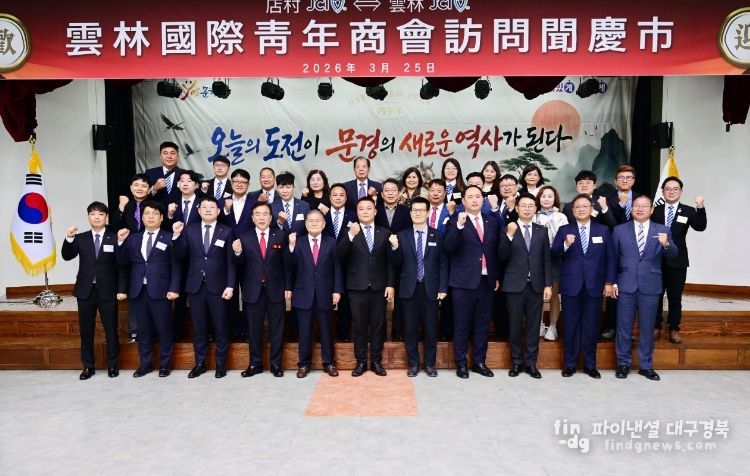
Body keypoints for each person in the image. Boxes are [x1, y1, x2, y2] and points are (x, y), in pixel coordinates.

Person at [611, 195, 677, 381]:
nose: (640, 209)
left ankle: (646, 366)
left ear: (651, 210)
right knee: (623, 327)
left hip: (651, 285)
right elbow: (613, 259)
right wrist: (612, 282)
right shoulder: (619, 230)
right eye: (636, 206)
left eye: (644, 206)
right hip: (625, 284)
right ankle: (623, 364)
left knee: (647, 328)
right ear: (631, 209)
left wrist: (666, 244)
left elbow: (674, 254)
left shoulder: (663, 230)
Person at [551, 194, 616, 379]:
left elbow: (611, 258)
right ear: (572, 210)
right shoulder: (565, 230)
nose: (581, 209)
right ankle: (569, 364)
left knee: (591, 327)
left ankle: (590, 365)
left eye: (584, 206)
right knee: (570, 326)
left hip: (595, 285)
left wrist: (609, 282)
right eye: (577, 207)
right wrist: (565, 244)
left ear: (591, 208)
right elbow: (553, 254)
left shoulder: (603, 230)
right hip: (571, 285)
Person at [116, 201, 183, 378]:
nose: (151, 216)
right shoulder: (133, 238)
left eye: (155, 213)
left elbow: (176, 265)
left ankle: (164, 365)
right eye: (147, 213)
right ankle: (145, 364)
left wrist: (174, 288)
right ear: (142, 217)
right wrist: (120, 242)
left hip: (161, 291)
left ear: (161, 218)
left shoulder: (169, 238)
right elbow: (122, 262)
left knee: (164, 329)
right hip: (138, 290)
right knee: (143, 330)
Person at [61, 202, 125, 379]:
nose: (97, 217)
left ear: (106, 217)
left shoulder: (115, 237)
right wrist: (69, 238)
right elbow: (67, 256)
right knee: (86, 331)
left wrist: (121, 289)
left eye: (100, 214)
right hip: (85, 291)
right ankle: (88, 367)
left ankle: (113, 365)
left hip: (108, 290)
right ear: (88, 216)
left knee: (111, 329)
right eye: (93, 214)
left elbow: (121, 265)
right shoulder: (80, 238)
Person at [175, 196, 235, 379]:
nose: (208, 210)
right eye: (205, 207)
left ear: (218, 211)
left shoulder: (227, 231)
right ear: (199, 210)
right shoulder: (189, 230)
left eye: (212, 207)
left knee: (221, 327)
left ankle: (220, 365)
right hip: (195, 287)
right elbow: (179, 255)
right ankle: (200, 364)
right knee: (199, 328)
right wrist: (176, 236)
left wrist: (230, 285)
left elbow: (231, 262)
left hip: (219, 287)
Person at [445, 185, 501, 379]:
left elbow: (495, 251)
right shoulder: (455, 220)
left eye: (478, 196)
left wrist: (495, 276)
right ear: (463, 201)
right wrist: (459, 227)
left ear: (483, 200)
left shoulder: (492, 222)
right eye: (470, 197)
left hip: (486, 281)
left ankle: (479, 362)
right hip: (463, 282)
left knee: (482, 325)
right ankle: (461, 363)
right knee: (461, 325)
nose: (475, 200)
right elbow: (449, 247)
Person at [336, 197, 395, 377]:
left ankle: (376, 361)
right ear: (357, 212)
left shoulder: (384, 232)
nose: (365, 211)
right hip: (356, 287)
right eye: (361, 209)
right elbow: (339, 255)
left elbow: (390, 263)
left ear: (375, 211)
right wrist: (350, 236)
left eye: (369, 208)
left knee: (378, 326)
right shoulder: (349, 231)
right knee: (359, 327)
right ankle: (361, 362)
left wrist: (390, 284)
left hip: (379, 287)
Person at [391, 197, 448, 377]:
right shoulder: (402, 235)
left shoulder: (437, 235)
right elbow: (396, 264)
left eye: (421, 210)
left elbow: (443, 263)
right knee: (410, 329)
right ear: (410, 213)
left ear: (428, 212)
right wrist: (394, 248)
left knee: (431, 329)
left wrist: (443, 288)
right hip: (409, 288)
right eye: (414, 210)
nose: (418, 213)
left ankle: (430, 364)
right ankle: (413, 364)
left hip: (431, 288)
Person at [498, 193, 552, 379]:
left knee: (533, 326)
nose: (527, 209)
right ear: (517, 208)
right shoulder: (508, 228)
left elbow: (546, 259)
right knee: (514, 326)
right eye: (523, 205)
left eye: (531, 206)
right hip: (514, 285)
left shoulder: (542, 230)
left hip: (536, 285)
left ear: (535, 209)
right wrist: (509, 236)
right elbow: (501, 256)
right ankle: (516, 362)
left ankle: (531, 363)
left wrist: (548, 284)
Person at [285, 209, 343, 378]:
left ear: (324, 224)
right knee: (304, 332)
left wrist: (337, 290)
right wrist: (291, 246)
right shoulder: (298, 242)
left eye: (318, 221)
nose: (314, 223)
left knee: (326, 331)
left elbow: (337, 268)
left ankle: (329, 363)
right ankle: (304, 364)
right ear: (306, 224)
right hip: (303, 294)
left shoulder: (332, 242)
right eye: (311, 221)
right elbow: (290, 266)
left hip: (325, 293)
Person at [232, 202, 288, 377]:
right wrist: (237, 253)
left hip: (275, 289)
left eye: (265, 214)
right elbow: (239, 265)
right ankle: (255, 364)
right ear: (252, 217)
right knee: (253, 329)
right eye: (258, 214)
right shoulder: (244, 237)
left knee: (277, 330)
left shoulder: (280, 235)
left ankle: (275, 364)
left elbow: (286, 265)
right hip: (252, 290)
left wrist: (288, 287)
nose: (261, 217)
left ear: (271, 218)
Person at [652, 177, 707, 344]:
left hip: (678, 260)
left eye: (675, 189)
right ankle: (656, 326)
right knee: (656, 295)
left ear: (681, 192)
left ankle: (674, 328)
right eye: (668, 189)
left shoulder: (688, 211)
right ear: (662, 191)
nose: (671, 191)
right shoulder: (654, 210)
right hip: (656, 260)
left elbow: (700, 226)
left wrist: (700, 207)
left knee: (675, 296)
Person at [602, 165, 640, 340]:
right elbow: (610, 224)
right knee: (612, 286)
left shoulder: (641, 199)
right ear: (615, 180)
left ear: (633, 180)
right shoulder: (607, 199)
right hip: (613, 248)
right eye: (621, 177)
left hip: (636, 249)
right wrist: (622, 205)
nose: (624, 180)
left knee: (632, 289)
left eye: (628, 177)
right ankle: (611, 326)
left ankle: (629, 328)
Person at [219, 168, 257, 339]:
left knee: (249, 294)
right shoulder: (221, 202)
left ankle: (249, 331)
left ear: (248, 185)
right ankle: (233, 330)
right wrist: (226, 211)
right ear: (231, 183)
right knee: (230, 293)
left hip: (249, 254)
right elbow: (217, 222)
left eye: (243, 182)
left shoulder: (255, 202)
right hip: (226, 255)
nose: (240, 184)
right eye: (236, 181)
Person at [114, 173, 150, 343]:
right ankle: (134, 331)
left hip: (150, 252)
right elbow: (115, 227)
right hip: (130, 252)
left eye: (143, 186)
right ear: (130, 188)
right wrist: (121, 208)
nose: (139, 188)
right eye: (136, 185)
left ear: (149, 189)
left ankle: (152, 330)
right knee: (134, 291)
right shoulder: (125, 206)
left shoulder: (154, 205)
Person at [167, 170, 202, 340]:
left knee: (200, 295)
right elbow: (163, 226)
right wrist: (170, 215)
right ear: (178, 184)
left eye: (189, 181)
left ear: (196, 185)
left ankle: (204, 331)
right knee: (178, 293)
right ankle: (178, 332)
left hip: (199, 254)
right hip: (178, 253)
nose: (185, 183)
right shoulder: (171, 203)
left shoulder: (204, 203)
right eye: (182, 180)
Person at [533, 185, 568, 341]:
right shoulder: (533, 215)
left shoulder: (561, 217)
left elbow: (559, 236)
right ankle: (539, 323)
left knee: (554, 293)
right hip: (536, 257)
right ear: (538, 198)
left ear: (555, 199)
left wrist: (553, 218)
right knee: (537, 292)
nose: (546, 199)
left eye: (550, 196)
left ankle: (552, 326)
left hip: (555, 257)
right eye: (543, 196)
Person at [324, 183, 358, 342]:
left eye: (341, 195)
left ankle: (343, 334)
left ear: (346, 198)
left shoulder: (353, 215)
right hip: (325, 263)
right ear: (330, 197)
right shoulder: (322, 215)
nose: (338, 198)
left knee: (345, 301)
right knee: (325, 299)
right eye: (335, 195)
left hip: (347, 263)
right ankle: (326, 334)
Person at [144, 141, 184, 206]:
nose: (169, 156)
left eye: (172, 153)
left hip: (179, 211)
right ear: (160, 157)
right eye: (165, 153)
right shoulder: (150, 173)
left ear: (178, 157)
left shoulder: (185, 174)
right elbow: (143, 196)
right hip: (156, 211)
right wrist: (154, 188)